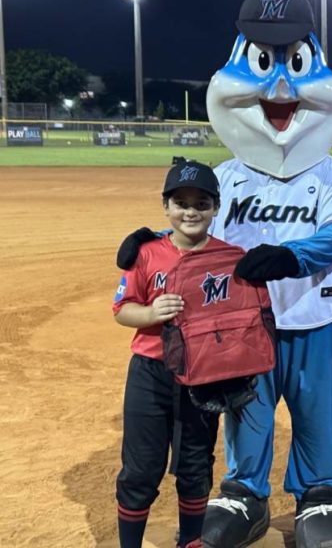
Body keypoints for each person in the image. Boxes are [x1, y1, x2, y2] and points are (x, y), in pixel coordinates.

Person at [116, 0, 332, 548]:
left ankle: (319, 495)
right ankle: (244, 490)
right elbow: (193, 229)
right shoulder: (225, 177)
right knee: (245, 410)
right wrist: (149, 239)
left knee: (317, 408)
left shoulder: (331, 172)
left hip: (319, 312)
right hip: (243, 323)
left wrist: (290, 256)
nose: (279, 86)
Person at [113, 160, 224, 548]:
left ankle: (190, 541)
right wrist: (150, 313)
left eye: (202, 203)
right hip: (151, 371)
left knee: (195, 465)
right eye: (181, 202)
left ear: (216, 207)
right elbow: (121, 309)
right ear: (166, 207)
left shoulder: (229, 259)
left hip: (201, 375)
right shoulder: (145, 253)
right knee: (141, 469)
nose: (191, 211)